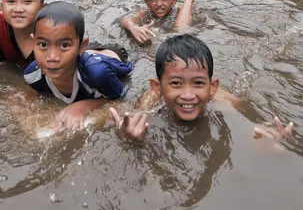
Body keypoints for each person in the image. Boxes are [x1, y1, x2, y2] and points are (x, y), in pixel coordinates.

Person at [109, 34, 294, 144]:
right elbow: (131, 120)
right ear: (157, 87)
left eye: (198, 83)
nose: (188, 95)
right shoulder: (151, 100)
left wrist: (267, 136)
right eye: (175, 83)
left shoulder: (223, 101)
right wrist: (125, 134)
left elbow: (247, 125)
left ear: (212, 87)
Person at [24, 1, 133, 131]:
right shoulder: (32, 76)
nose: (52, 57)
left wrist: (84, 106)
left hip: (110, 54)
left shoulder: (98, 74)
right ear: (32, 42)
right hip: (76, 54)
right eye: (43, 45)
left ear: (81, 46)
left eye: (64, 45)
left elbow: (121, 101)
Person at [119, 0, 200, 44]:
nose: (159, 4)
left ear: (173, 1)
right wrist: (133, 27)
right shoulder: (146, 13)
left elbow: (182, 30)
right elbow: (125, 19)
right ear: (147, 2)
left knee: (181, 32)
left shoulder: (179, 12)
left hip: (181, 17)